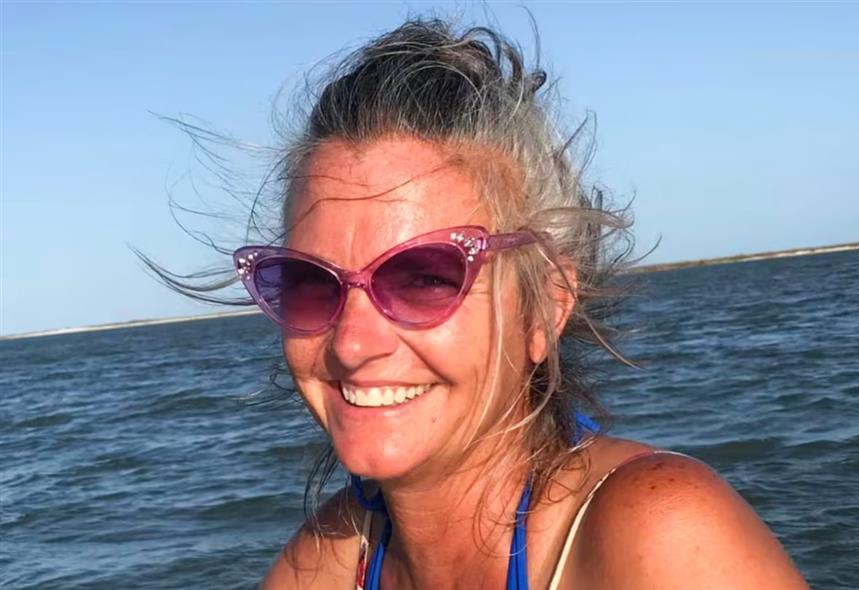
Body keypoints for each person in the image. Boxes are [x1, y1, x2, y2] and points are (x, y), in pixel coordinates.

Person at [227, 19, 808, 590]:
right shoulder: (327, 561)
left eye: (424, 278)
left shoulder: (657, 535)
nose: (353, 343)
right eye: (310, 282)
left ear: (546, 303)